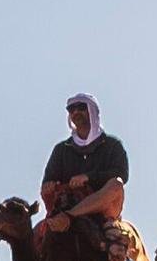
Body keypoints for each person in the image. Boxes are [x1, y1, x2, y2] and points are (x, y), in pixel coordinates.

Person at [36, 93, 131, 237]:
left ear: (92, 111)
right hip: (67, 202)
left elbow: (121, 174)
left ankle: (71, 216)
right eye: (71, 109)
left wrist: (88, 178)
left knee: (116, 184)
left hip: (103, 207)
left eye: (81, 108)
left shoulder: (112, 145)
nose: (75, 112)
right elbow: (49, 180)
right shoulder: (62, 149)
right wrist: (49, 186)